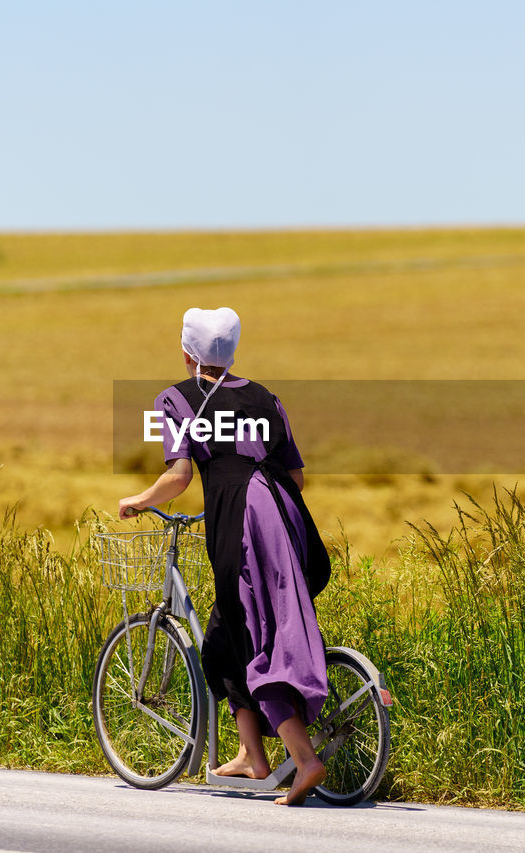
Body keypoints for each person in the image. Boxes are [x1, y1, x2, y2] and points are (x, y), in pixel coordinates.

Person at [118, 306, 333, 806]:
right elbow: (296, 478)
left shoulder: (175, 398)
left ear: (186, 352)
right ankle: (251, 754)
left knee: (250, 634)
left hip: (240, 521)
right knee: (223, 639)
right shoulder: (266, 398)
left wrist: (139, 500)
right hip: (286, 515)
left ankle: (304, 759)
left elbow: (179, 475)